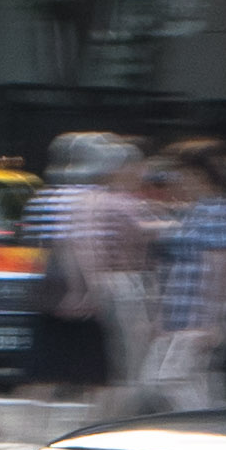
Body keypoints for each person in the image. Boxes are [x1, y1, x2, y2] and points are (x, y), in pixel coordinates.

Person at [144, 141, 226, 412]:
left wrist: (213, 320)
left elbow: (223, 267)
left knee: (170, 380)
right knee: (192, 380)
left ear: (199, 176)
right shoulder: (194, 212)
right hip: (178, 315)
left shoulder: (220, 212)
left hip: (195, 317)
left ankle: (205, 432)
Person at [18, 131, 117, 408]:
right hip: (75, 293)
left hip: (46, 291)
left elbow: (36, 246)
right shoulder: (89, 199)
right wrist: (83, 289)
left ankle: (31, 429)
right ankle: (94, 429)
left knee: (43, 371)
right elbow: (76, 246)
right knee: (95, 374)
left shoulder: (43, 198)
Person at [68, 138, 158, 416]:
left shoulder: (89, 202)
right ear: (121, 169)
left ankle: (104, 417)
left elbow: (81, 248)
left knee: (112, 365)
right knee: (129, 364)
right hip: (124, 285)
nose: (141, 174)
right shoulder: (120, 204)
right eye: (136, 168)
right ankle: (119, 421)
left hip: (107, 285)